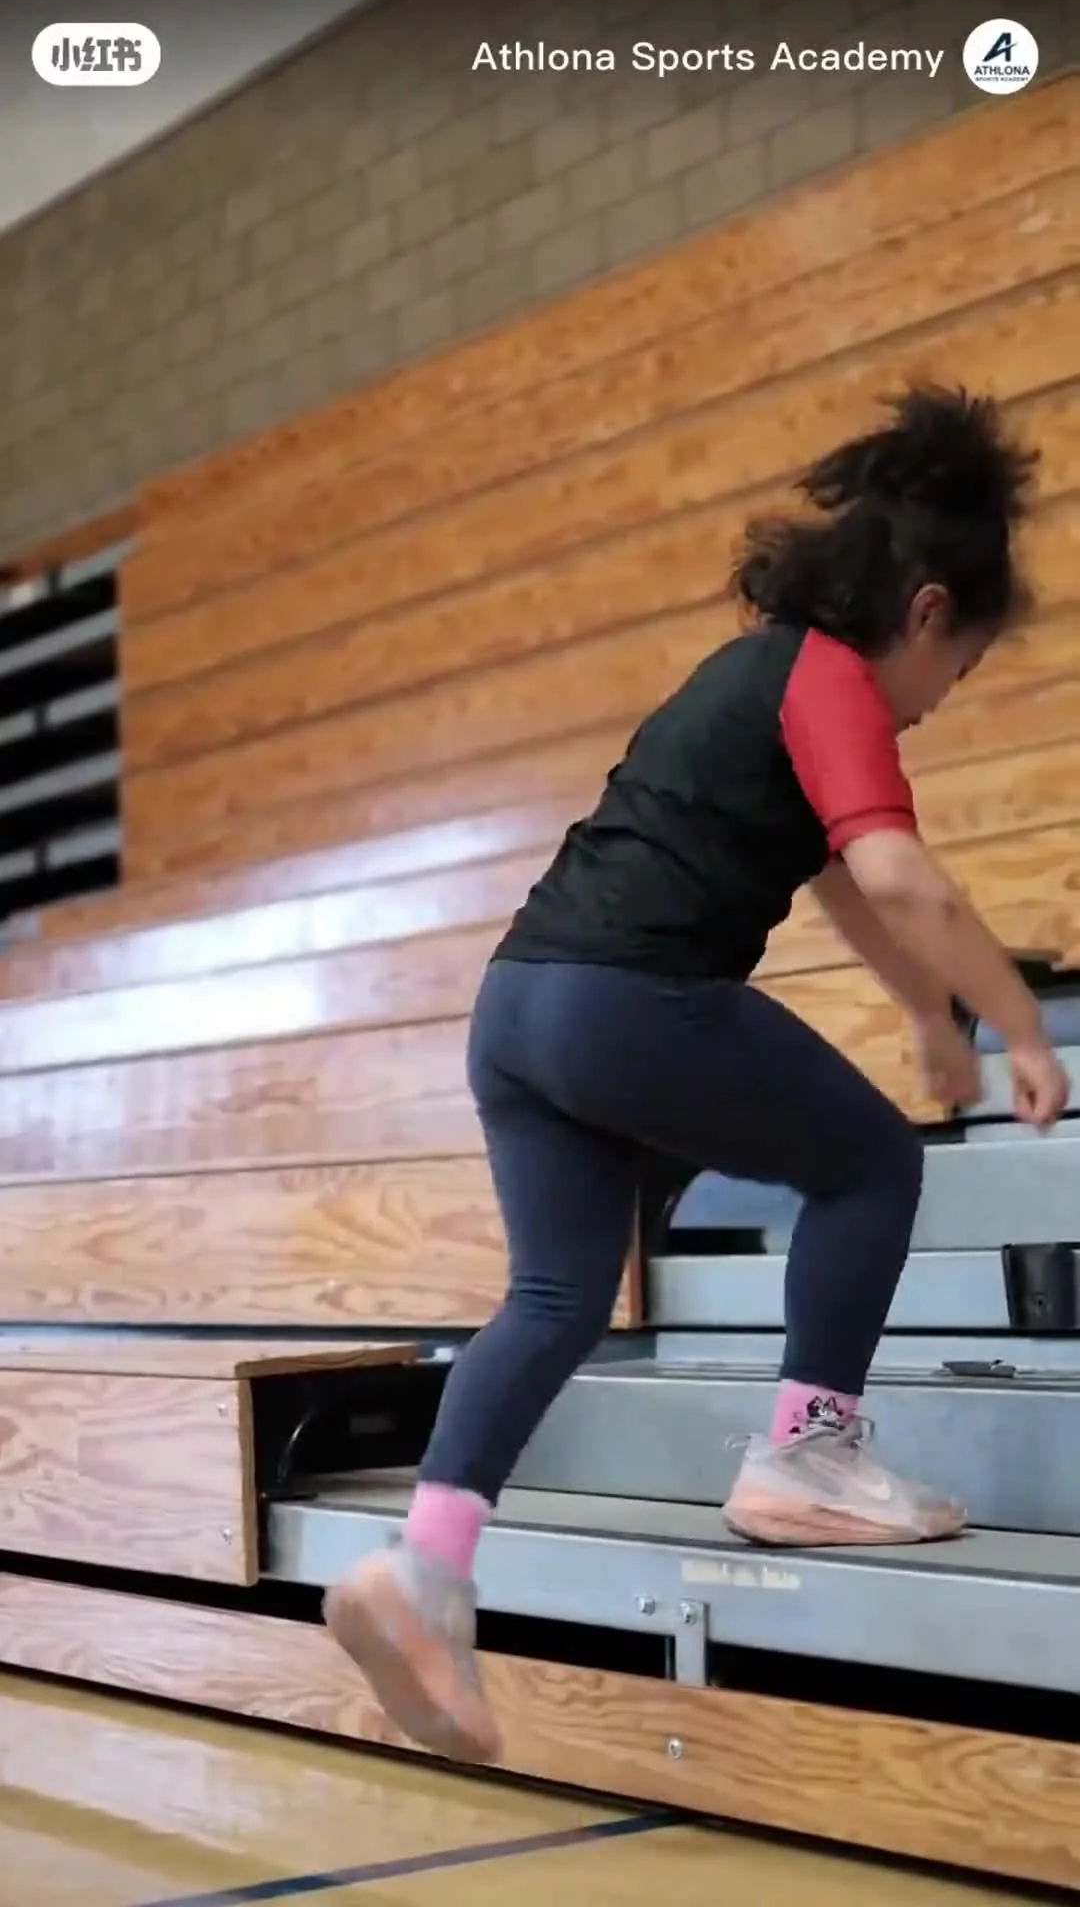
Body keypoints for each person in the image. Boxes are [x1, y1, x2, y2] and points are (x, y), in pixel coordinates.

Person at [324, 384, 1069, 1764]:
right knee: (871, 1163)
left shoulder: (755, 674)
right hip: (626, 998)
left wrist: (927, 1014)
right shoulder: (833, 679)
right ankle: (808, 1455)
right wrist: (1019, 1027)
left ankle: (422, 1576)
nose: (932, 708)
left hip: (517, 1006)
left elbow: (839, 881)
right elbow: (898, 872)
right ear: (924, 614)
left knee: (555, 1295)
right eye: (954, 676)